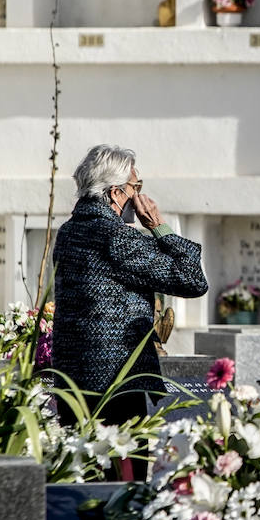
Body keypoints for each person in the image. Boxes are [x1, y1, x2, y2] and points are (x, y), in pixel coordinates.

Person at [52, 144, 209, 428]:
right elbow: (193, 280)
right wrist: (159, 226)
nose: (140, 196)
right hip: (116, 384)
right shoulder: (116, 237)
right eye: (136, 186)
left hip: (71, 383)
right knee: (124, 471)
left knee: (78, 469)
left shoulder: (68, 232)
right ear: (116, 193)